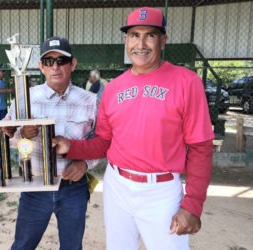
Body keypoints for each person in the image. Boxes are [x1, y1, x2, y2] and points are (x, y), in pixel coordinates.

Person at [54, 7, 214, 250]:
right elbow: (104, 142)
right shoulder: (114, 88)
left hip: (161, 190)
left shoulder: (186, 82)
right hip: (117, 185)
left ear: (163, 41)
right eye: (134, 35)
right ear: (126, 40)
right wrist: (71, 146)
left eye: (150, 35)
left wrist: (193, 204)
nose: (141, 43)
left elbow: (201, 147)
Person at [5, 36, 100, 250]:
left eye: (62, 61)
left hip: (73, 187)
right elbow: (10, 141)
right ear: (40, 66)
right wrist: (24, 135)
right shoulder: (25, 98)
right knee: (22, 245)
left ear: (72, 64)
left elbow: (101, 142)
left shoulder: (90, 101)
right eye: (49, 61)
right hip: (35, 185)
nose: (55, 67)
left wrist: (85, 164)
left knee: (72, 246)